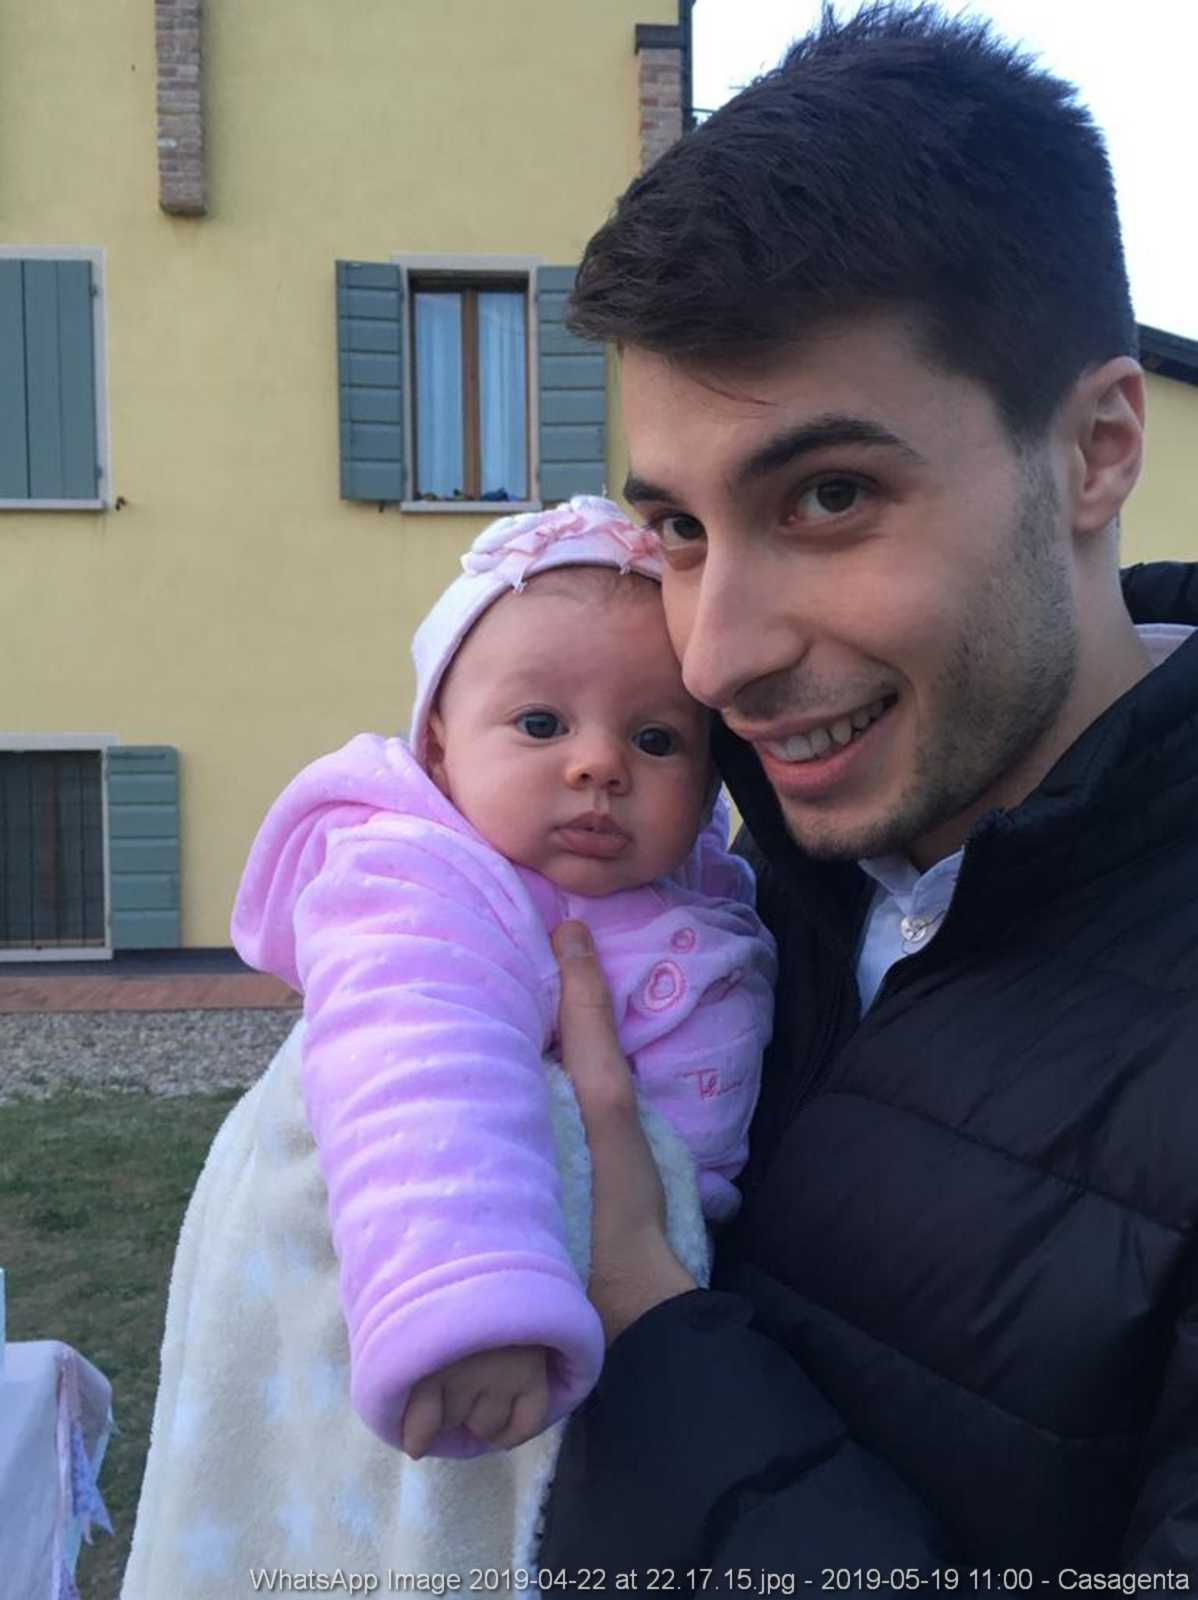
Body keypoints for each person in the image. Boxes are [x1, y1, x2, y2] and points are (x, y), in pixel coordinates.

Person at [534, 3, 1198, 1584]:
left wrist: (654, 1343)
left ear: (1095, 450)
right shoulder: (741, 874)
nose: (712, 657)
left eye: (827, 497)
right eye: (679, 529)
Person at [230, 495, 776, 1460]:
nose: (599, 764)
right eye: (540, 722)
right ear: (439, 744)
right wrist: (469, 1290)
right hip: (512, 1327)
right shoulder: (427, 882)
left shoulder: (707, 896)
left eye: (657, 740)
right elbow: (418, 1071)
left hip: (683, 1327)